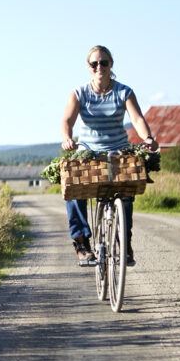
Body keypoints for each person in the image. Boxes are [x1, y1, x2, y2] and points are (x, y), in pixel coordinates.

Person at [61, 46, 159, 267]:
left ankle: (124, 242)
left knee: (126, 192)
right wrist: (67, 138)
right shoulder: (79, 93)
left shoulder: (124, 92)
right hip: (88, 153)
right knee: (74, 188)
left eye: (103, 63)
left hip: (118, 152)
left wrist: (148, 138)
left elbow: (137, 119)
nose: (99, 67)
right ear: (88, 67)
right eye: (94, 64)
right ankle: (82, 243)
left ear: (111, 64)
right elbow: (67, 120)